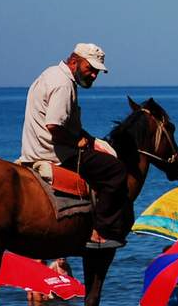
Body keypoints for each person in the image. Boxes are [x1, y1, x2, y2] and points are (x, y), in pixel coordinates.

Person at [18, 43, 131, 250]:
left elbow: (66, 124)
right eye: (91, 69)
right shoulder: (63, 85)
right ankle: (101, 231)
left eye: (97, 71)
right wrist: (75, 142)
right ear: (74, 61)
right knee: (116, 170)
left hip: (34, 147)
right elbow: (54, 125)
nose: (94, 75)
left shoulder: (50, 74)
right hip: (56, 153)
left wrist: (90, 139)